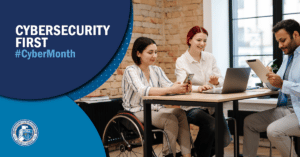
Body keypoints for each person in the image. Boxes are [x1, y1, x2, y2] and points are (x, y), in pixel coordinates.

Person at [122, 37, 192, 157]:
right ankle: (168, 154)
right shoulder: (130, 70)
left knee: (180, 113)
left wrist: (181, 87)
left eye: (155, 52)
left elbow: (169, 86)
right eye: (150, 52)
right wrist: (171, 89)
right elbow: (142, 91)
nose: (154, 55)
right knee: (170, 119)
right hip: (137, 110)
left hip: (156, 108)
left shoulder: (157, 70)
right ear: (138, 53)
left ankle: (187, 155)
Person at [243, 19, 300, 157]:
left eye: (283, 40)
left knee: (274, 131)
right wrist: (267, 77)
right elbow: (277, 84)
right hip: (286, 109)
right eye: (278, 42)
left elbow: (282, 84)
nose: (280, 45)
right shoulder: (288, 56)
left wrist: (281, 84)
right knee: (249, 122)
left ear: (296, 35)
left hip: (298, 111)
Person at [175, 26, 232, 157]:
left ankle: (195, 153)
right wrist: (198, 88)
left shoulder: (210, 58)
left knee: (225, 140)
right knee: (211, 125)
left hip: (211, 106)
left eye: (205, 41)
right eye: (198, 40)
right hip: (192, 107)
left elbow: (222, 79)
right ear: (189, 40)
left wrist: (216, 82)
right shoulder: (181, 61)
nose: (202, 44)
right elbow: (182, 85)